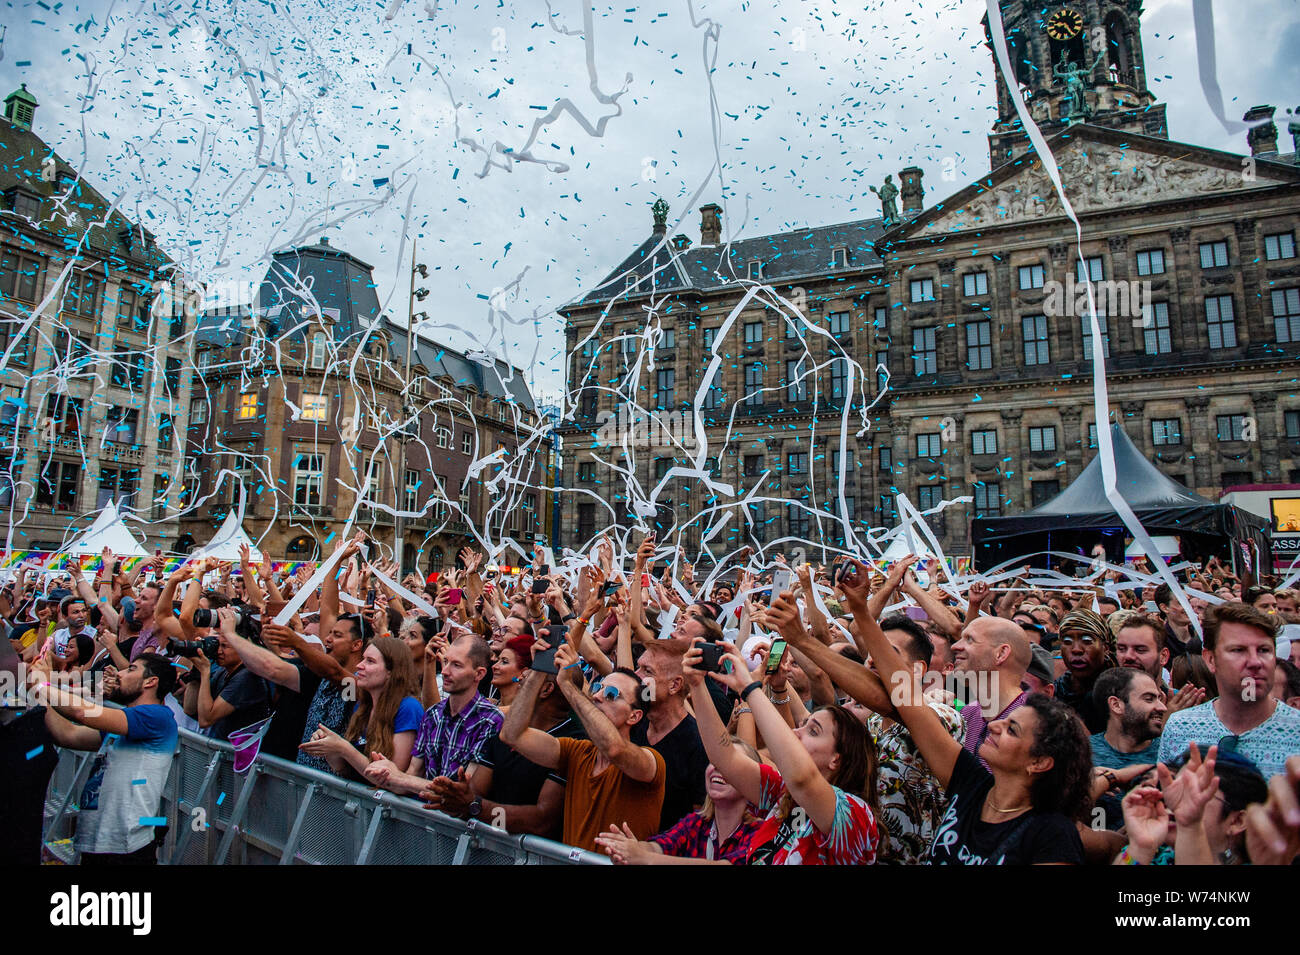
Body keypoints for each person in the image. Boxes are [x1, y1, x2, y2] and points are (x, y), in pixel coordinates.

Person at [838, 558, 1090, 865]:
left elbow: (902, 699)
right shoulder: (969, 729)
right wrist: (862, 611)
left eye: (968, 639)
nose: (956, 645)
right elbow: (904, 697)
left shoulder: (1040, 724)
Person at [684, 606, 883, 865]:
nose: (795, 732)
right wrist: (696, 685)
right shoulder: (783, 794)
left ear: (837, 758)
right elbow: (724, 757)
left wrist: (750, 689)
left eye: (813, 731)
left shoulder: (856, 817)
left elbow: (803, 779)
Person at [500, 642, 665, 851]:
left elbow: (615, 749)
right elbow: (512, 734)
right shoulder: (576, 751)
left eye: (612, 694)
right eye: (598, 687)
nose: (597, 696)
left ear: (634, 716)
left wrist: (568, 685)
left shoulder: (651, 761)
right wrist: (539, 670)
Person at [39, 653, 179, 864]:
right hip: (96, 842)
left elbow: (81, 713)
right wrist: (39, 693)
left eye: (131, 669)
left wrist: (43, 685)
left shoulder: (157, 716)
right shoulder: (124, 724)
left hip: (125, 848)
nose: (120, 673)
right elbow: (67, 735)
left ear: (151, 681)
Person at [1158, 602, 1300, 778]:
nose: (1255, 662)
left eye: (1264, 650)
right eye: (1238, 650)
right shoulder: (1180, 727)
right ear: (1210, 660)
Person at [363, 635, 502, 794]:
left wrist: (400, 778)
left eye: (456, 665)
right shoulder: (433, 715)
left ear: (479, 674)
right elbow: (413, 773)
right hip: (419, 815)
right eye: (445, 661)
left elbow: (465, 793)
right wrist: (386, 773)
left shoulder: (490, 721)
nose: (445, 671)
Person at [596, 740, 764, 864]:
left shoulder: (762, 832)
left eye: (730, 764)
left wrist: (644, 858)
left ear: (753, 780)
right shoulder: (696, 823)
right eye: (715, 761)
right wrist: (631, 848)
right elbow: (660, 846)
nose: (718, 768)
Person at [298, 636, 422, 780]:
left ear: (391, 671)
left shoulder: (409, 707)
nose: (359, 665)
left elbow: (392, 779)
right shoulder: (363, 705)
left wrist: (343, 748)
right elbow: (343, 769)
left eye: (370, 661)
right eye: (363, 659)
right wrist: (329, 748)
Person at [632, 638, 708, 831]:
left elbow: (699, 823)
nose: (636, 676)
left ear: (675, 685)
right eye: (638, 667)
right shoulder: (632, 722)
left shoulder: (698, 745)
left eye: (647, 671)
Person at [952, 614, 1032, 769]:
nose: (955, 646)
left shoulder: (1032, 722)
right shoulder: (968, 712)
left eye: (970, 639)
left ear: (1001, 654)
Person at [184, 609, 273, 742]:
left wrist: (204, 671)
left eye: (225, 646)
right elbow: (190, 708)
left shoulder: (247, 677)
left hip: (235, 756)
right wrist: (196, 670)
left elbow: (206, 719)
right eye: (218, 644)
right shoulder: (224, 670)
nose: (219, 651)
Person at [1053, 607, 1112, 734]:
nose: (1076, 649)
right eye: (1067, 641)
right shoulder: (1056, 691)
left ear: (1105, 648)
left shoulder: (1120, 690)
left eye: (1086, 641)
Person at [1155, 583, 1202, 660]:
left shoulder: (1202, 635)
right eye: (1181, 602)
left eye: (1188, 601)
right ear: (1165, 608)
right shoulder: (1159, 641)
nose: (1188, 607)